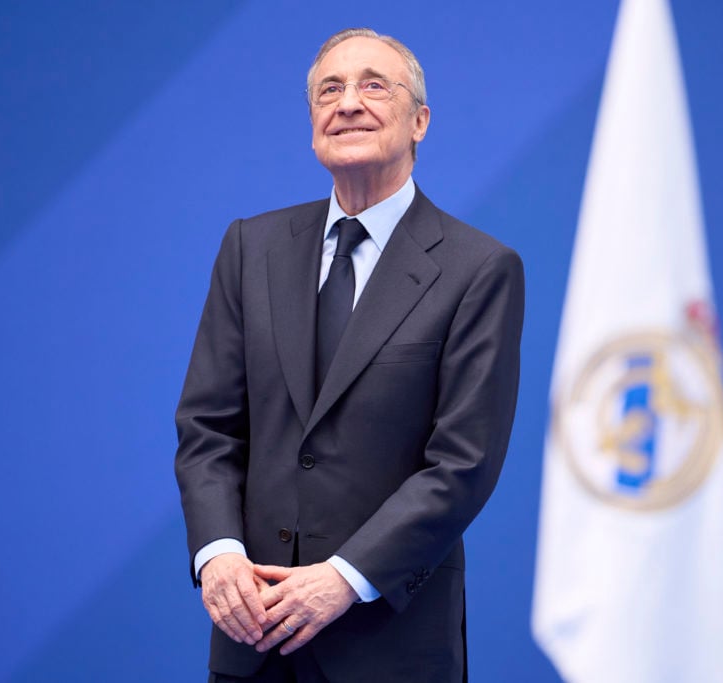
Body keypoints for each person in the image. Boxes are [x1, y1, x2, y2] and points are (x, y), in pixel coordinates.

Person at [174, 27, 524, 682]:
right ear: (312, 121)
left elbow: (462, 464)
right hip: (252, 639)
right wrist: (218, 554)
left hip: (390, 643)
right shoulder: (251, 247)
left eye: (373, 85)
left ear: (420, 120)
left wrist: (343, 578)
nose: (348, 102)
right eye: (329, 89)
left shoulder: (480, 268)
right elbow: (207, 430)